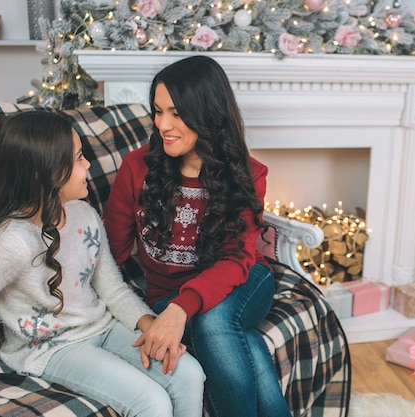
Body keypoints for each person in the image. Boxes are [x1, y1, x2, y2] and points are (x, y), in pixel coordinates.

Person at [0, 111, 205, 417]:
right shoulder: (11, 244)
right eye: (77, 158)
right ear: (45, 171)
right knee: (151, 401)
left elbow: (113, 290)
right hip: (51, 348)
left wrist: (153, 327)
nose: (88, 164)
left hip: (101, 326)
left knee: (189, 373)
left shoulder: (83, 215)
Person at [102, 55, 292, 417]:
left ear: (207, 114)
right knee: (245, 343)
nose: (163, 125)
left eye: (176, 113)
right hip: (164, 295)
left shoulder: (248, 173)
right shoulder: (137, 167)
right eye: (158, 112)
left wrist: (181, 308)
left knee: (212, 319)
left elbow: (237, 259)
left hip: (245, 282)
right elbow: (110, 251)